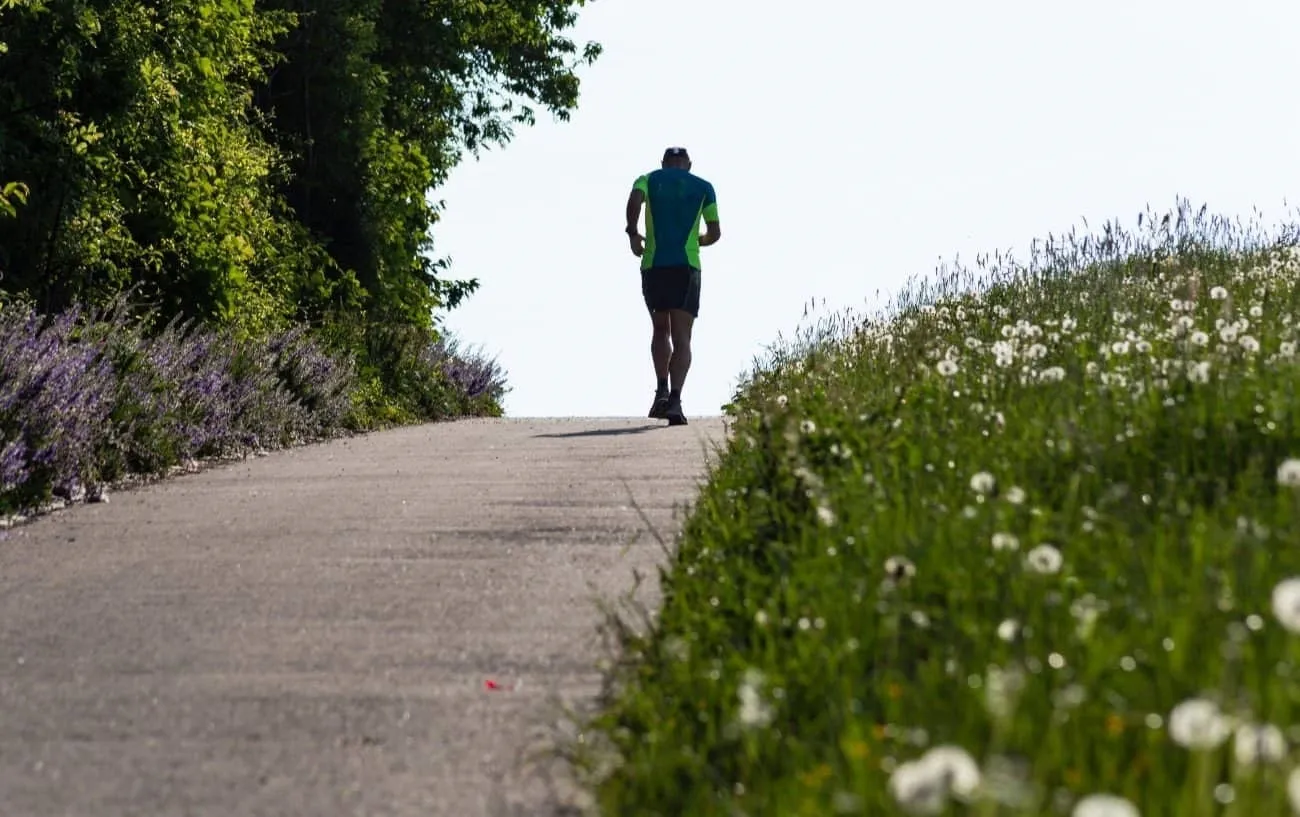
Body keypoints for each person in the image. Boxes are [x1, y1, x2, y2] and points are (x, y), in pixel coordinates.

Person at [624, 147, 722, 426]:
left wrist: (632, 232)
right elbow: (714, 232)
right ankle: (676, 401)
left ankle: (661, 391)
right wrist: (696, 241)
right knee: (683, 338)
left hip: (654, 264)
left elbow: (635, 199)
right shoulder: (704, 187)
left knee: (659, 330)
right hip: (686, 267)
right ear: (689, 165)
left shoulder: (648, 178)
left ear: (664, 163)